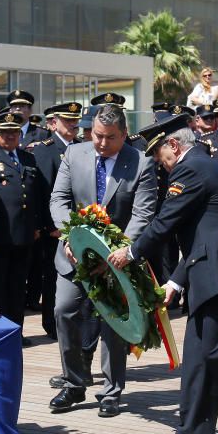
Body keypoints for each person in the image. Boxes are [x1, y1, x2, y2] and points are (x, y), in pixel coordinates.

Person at [108, 114, 218, 434]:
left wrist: (132, 252)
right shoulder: (202, 165)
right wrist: (176, 282)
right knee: (199, 357)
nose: (158, 163)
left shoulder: (191, 168)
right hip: (210, 274)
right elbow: (201, 236)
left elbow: (166, 222)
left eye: (159, 155)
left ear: (173, 145)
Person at [48, 104, 157, 418]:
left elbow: (142, 215)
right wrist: (70, 238)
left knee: (112, 322)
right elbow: (60, 198)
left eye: (111, 137)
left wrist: (115, 254)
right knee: (64, 311)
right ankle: (73, 382)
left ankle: (111, 391)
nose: (102, 143)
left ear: (124, 134)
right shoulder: (74, 154)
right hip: (73, 256)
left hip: (116, 261)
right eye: (97, 135)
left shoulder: (141, 164)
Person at [0, 112, 47, 333]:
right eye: (4, 132)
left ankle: (16, 331)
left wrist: (37, 225)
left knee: (18, 287)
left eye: (14, 132)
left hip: (25, 234)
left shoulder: (27, 158)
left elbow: (36, 195)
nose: (10, 136)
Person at [30, 102, 83, 339]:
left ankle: (78, 320)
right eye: (67, 120)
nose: (73, 124)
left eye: (75, 120)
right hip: (57, 228)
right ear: (54, 123)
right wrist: (50, 226)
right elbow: (43, 191)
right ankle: (52, 323)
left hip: (81, 225)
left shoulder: (82, 147)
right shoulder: (45, 149)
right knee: (53, 277)